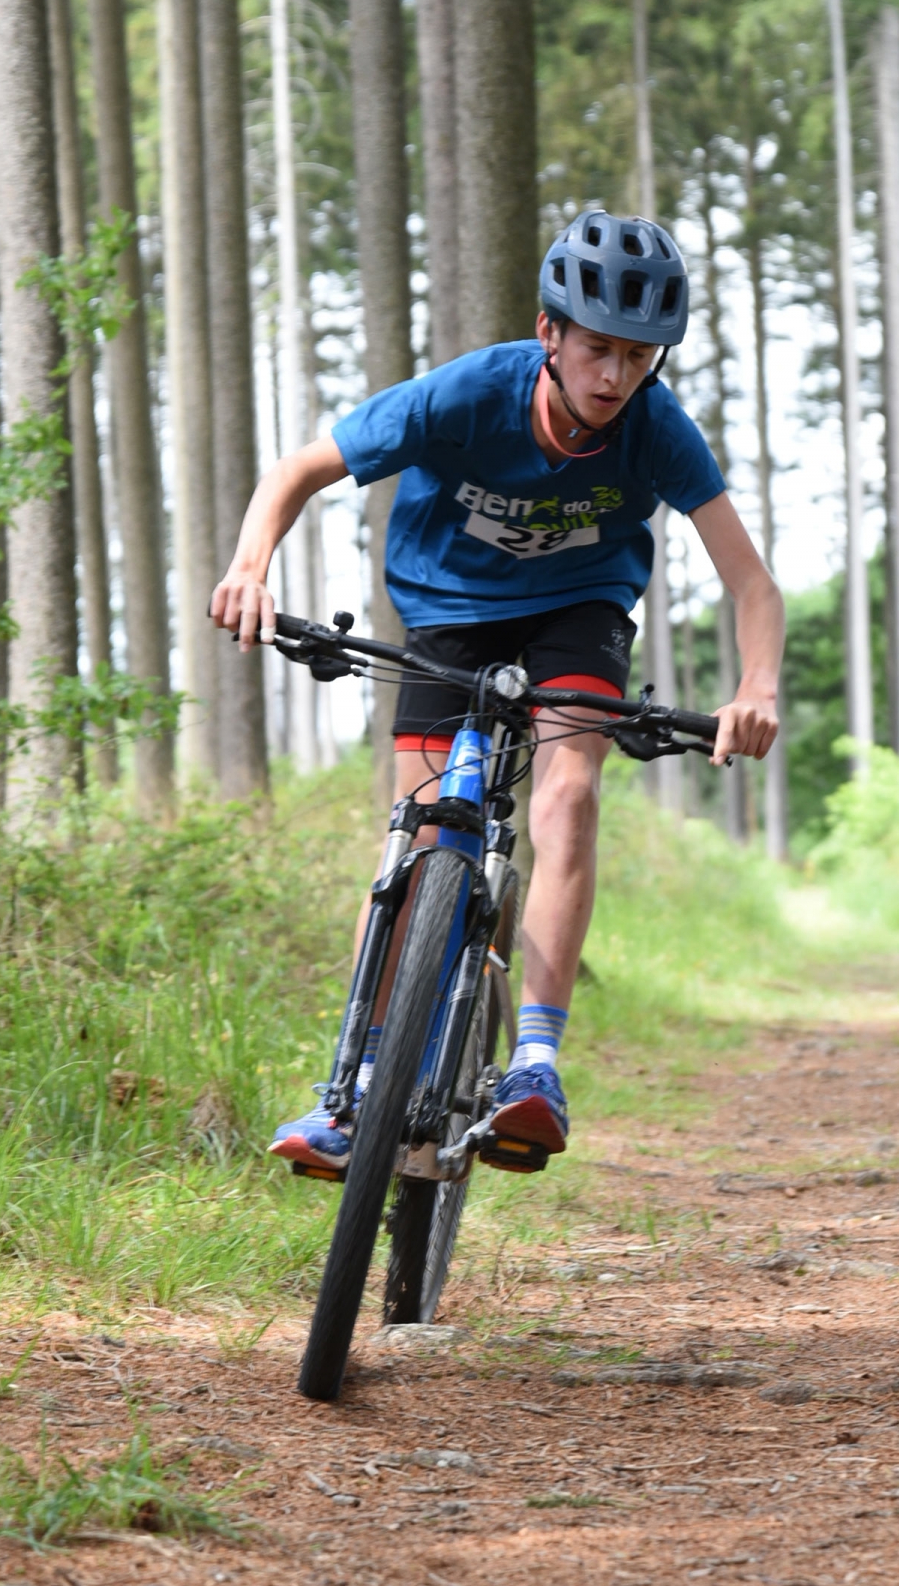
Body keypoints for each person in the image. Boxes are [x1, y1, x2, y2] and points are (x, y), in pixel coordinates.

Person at [210, 208, 784, 1176]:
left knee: (567, 793)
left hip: (579, 611)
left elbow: (752, 583)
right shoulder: (471, 392)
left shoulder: (656, 428)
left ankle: (535, 1064)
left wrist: (756, 685)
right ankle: (352, 1086)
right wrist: (249, 566)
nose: (615, 376)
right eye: (597, 348)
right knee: (422, 835)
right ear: (549, 331)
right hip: (449, 609)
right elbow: (302, 469)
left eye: (637, 356)